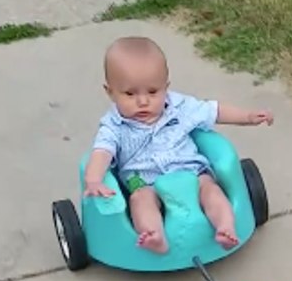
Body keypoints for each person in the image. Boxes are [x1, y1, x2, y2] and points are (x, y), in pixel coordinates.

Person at [82, 36, 274, 254]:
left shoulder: (180, 107)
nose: (143, 101)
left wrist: (248, 116)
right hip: (144, 181)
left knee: (211, 191)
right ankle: (155, 236)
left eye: (153, 92)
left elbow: (214, 111)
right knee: (140, 200)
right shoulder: (113, 126)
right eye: (130, 93)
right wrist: (93, 179)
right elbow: (101, 152)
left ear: (166, 87)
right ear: (110, 92)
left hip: (192, 172)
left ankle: (225, 227)